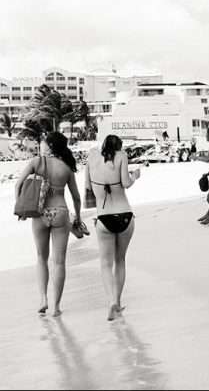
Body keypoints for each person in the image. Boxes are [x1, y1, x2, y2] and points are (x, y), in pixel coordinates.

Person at [14, 131, 81, 317]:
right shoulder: (66, 168)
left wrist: (21, 208)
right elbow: (76, 198)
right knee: (59, 261)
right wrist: (79, 217)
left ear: (50, 145)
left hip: (40, 214)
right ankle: (56, 307)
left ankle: (43, 298)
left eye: (44, 143)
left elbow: (18, 185)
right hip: (60, 213)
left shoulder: (36, 162)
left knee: (41, 257)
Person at [85, 135, 140, 320]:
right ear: (119, 146)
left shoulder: (91, 157)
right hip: (124, 215)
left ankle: (110, 301)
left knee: (105, 264)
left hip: (103, 218)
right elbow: (126, 183)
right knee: (120, 260)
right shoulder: (122, 156)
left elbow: (87, 186)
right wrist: (135, 176)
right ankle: (118, 301)